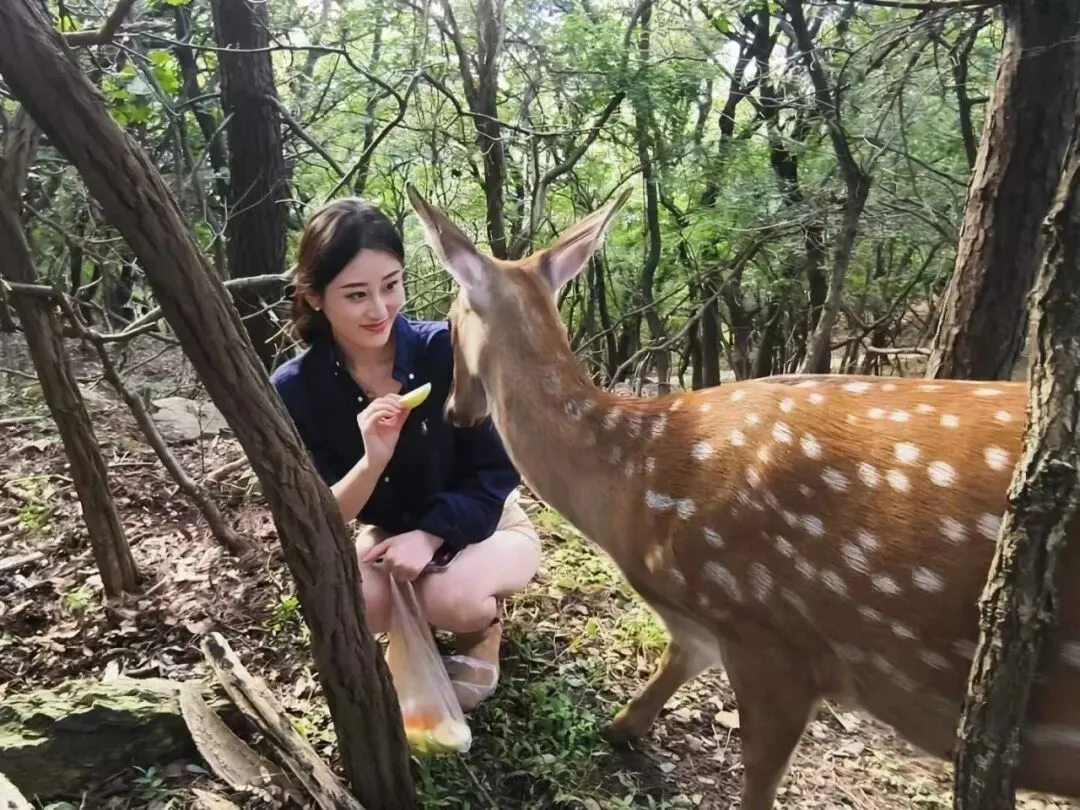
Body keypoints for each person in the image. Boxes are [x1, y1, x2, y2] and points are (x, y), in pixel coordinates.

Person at [269, 196, 542, 710]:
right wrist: (372, 461)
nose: (379, 310)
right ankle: (413, 619)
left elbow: (495, 471)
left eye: (390, 285)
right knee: (356, 603)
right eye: (356, 294)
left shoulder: (447, 350)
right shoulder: (296, 388)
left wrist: (431, 535)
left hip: (488, 522)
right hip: (389, 529)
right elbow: (325, 513)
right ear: (314, 297)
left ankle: (481, 631)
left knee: (452, 598)